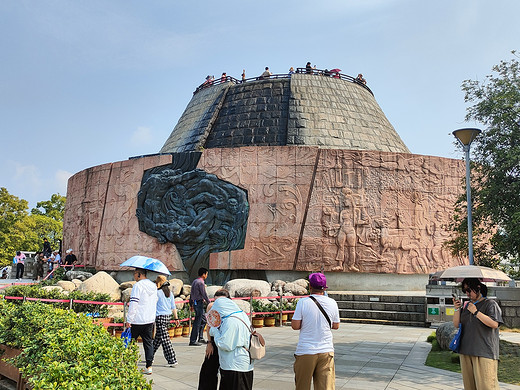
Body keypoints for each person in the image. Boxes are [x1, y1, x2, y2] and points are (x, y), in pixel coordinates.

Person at [292, 273, 340, 390]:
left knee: (302, 386)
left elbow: (295, 325)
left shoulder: (303, 302)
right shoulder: (332, 302)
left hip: (306, 351)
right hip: (326, 350)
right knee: (326, 387)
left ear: (310, 287)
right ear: (324, 287)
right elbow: (336, 325)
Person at [453, 278, 503, 390]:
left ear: (478, 288)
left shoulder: (490, 304)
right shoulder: (467, 306)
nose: (467, 293)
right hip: (466, 351)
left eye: (469, 290)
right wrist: (457, 309)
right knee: (470, 387)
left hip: (484, 351)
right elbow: (457, 324)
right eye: (464, 290)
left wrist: (476, 312)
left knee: (487, 386)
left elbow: (494, 323)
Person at [208, 295, 254, 390]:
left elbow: (225, 344)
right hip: (243, 364)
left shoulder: (230, 321)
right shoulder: (242, 315)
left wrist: (215, 331)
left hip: (235, 366)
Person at [125, 268, 158, 375]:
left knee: (131, 342)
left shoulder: (137, 286)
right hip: (149, 319)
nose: (134, 276)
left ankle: (129, 363)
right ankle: (149, 366)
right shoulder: (153, 286)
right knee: (148, 343)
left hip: (137, 320)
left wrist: (129, 319)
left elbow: (134, 303)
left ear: (139, 274)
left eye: (135, 274)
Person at [198, 288, 231, 390]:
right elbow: (209, 326)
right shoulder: (211, 306)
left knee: (226, 372)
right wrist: (209, 343)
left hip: (226, 342)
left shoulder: (231, 308)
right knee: (208, 370)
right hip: (214, 342)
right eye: (216, 300)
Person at [153, 275, 179, 367]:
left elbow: (153, 306)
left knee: (165, 340)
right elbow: (173, 307)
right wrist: (176, 318)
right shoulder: (170, 293)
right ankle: (150, 356)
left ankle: (172, 359)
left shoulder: (157, 293)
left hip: (160, 317)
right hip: (168, 317)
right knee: (158, 339)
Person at [189, 267, 211, 346]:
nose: (207, 276)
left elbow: (191, 294)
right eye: (206, 274)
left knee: (203, 320)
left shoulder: (195, 281)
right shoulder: (201, 283)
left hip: (195, 303)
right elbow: (204, 294)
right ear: (204, 274)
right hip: (198, 303)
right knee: (197, 322)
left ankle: (200, 337)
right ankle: (193, 340)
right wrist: (209, 302)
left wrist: (190, 303)